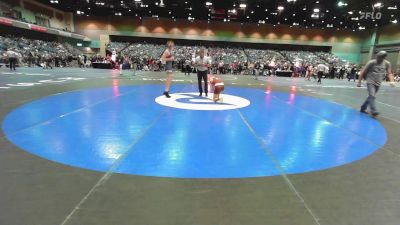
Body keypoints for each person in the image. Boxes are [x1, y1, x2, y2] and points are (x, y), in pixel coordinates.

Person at [358, 51, 395, 117]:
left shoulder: (387, 63)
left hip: (378, 82)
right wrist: (359, 81)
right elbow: (363, 71)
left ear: (383, 58)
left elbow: (389, 73)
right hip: (370, 81)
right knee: (372, 96)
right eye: (377, 56)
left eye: (379, 57)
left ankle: (363, 107)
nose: (377, 58)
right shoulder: (371, 62)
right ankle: (374, 111)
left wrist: (391, 81)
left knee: (370, 97)